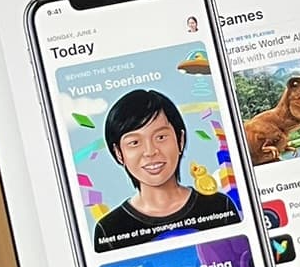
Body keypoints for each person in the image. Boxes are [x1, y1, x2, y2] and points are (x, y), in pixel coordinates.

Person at [92, 88, 238, 249]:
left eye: (161, 137)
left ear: (180, 140)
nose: (150, 152)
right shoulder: (108, 231)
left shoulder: (219, 206)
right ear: (119, 153)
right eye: (134, 142)